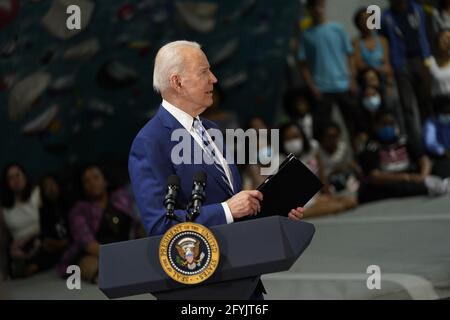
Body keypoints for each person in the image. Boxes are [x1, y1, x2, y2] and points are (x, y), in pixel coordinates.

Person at [128, 41, 304, 299]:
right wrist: (227, 210)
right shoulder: (150, 142)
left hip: (242, 280)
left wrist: (274, 212)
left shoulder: (212, 129)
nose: (214, 78)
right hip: (203, 287)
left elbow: (229, 203)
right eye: (204, 72)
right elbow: (160, 227)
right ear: (177, 82)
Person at [298, 0, 367, 147]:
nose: (317, 10)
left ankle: (359, 155)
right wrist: (312, 87)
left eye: (320, 6)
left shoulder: (338, 29)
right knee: (323, 129)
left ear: (324, 6)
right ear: (309, 10)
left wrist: (352, 79)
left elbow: (350, 55)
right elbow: (303, 65)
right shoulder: (306, 35)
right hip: (321, 88)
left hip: (343, 84)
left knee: (356, 123)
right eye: (314, 6)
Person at [57, 164, 138, 283]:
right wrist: (119, 257)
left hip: (124, 247)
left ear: (105, 181)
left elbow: (136, 224)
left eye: (96, 178)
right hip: (96, 253)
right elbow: (87, 243)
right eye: (87, 181)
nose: (92, 183)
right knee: (90, 266)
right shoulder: (79, 210)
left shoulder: (121, 198)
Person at [358, 110, 449, 203]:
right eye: (383, 124)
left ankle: (438, 182)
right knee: (380, 189)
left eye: (390, 124)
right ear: (376, 126)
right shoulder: (371, 147)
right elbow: (375, 176)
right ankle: (428, 187)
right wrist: (406, 177)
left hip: (413, 175)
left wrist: (423, 176)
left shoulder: (404, 140)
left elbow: (424, 159)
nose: (387, 127)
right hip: (391, 179)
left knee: (442, 164)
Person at [380, 0, 433, 145]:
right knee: (407, 105)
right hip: (400, 63)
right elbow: (379, 39)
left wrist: (428, 59)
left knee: (426, 101)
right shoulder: (384, 16)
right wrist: (389, 64)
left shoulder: (418, 9)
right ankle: (415, 141)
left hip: (421, 60)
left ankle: (430, 137)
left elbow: (426, 34)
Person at [1, 163, 41, 278]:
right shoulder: (4, 208)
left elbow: (49, 223)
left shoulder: (37, 194)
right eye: (10, 178)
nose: (16, 180)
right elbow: (3, 240)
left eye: (18, 175)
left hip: (40, 239)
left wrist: (25, 239)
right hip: (20, 251)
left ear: (24, 176)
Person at [353, 7, 395, 95]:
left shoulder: (382, 41)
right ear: (358, 24)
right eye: (363, 20)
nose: (367, 22)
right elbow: (359, 64)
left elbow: (387, 65)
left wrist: (389, 84)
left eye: (369, 19)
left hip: (383, 80)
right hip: (365, 81)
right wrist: (377, 68)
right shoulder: (356, 43)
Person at [37, 174, 70, 270]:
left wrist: (64, 243)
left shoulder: (69, 203)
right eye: (46, 186)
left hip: (73, 244)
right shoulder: (44, 210)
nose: (50, 189)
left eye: (52, 184)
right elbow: (45, 236)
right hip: (56, 247)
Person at [423, 95, 450, 178]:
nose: (448, 114)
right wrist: (444, 152)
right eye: (445, 112)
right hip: (439, 157)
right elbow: (430, 143)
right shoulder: (431, 123)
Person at [425, 28, 450, 97]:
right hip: (440, 103)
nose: (445, 41)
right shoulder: (429, 63)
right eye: (442, 37)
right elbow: (427, 88)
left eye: (448, 38)